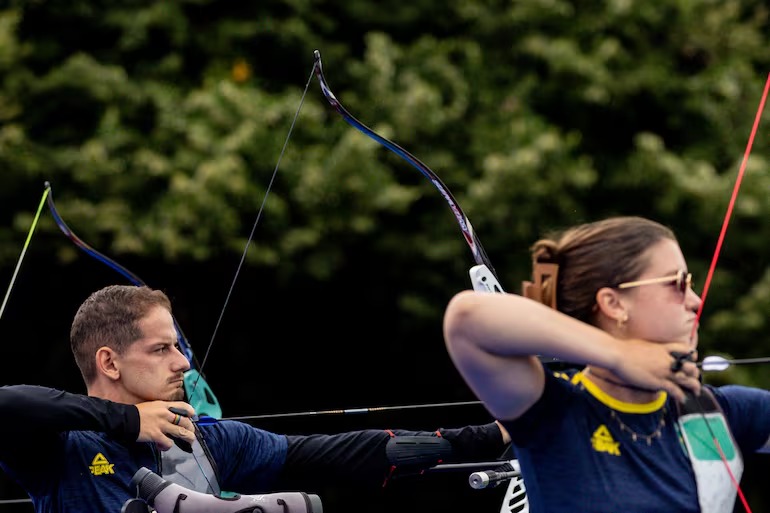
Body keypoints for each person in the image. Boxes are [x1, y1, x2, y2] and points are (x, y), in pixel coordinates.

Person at [0, 284, 511, 513]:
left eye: (178, 346)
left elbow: (347, 453)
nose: (183, 363)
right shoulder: (61, 448)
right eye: (161, 349)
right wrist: (126, 420)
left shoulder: (208, 441)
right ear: (109, 363)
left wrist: (495, 434)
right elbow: (9, 401)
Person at [442, 215, 770, 513]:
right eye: (677, 284)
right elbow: (467, 319)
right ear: (613, 304)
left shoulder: (724, 412)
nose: (695, 301)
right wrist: (619, 356)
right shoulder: (555, 411)